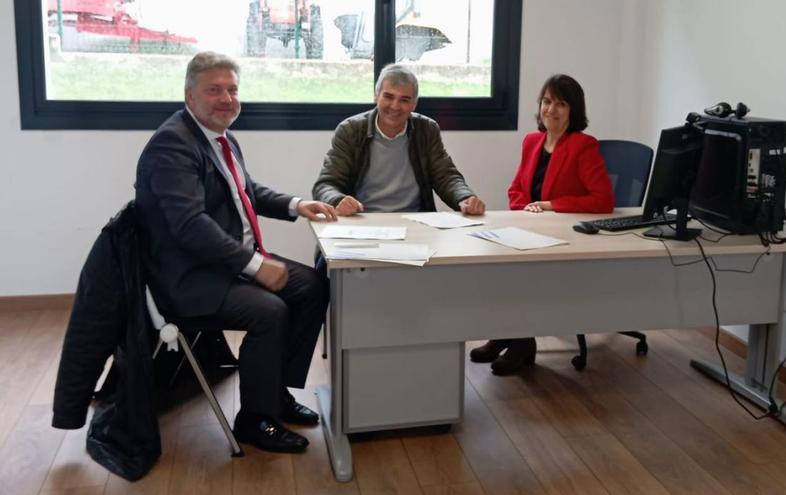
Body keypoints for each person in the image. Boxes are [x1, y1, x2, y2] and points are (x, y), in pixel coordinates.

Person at [135, 52, 338, 454]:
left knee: (314, 285)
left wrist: (297, 205)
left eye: (232, 89)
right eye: (214, 90)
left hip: (228, 262)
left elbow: (246, 189)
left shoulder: (217, 136)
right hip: (191, 278)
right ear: (189, 95)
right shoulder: (172, 145)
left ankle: (274, 392)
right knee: (270, 311)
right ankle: (254, 419)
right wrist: (255, 265)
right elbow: (190, 226)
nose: (227, 99)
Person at [471, 74, 614, 375]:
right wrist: (525, 211)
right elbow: (515, 190)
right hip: (528, 228)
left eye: (561, 104)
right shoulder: (532, 141)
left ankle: (523, 343)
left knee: (521, 272)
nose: (551, 109)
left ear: (573, 110)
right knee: (492, 263)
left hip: (564, 237)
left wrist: (550, 206)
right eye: (547, 101)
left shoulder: (583, 145)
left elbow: (602, 200)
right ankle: (506, 333)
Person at [312, 64, 486, 216]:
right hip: (363, 221)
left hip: (414, 222)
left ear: (414, 104)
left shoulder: (426, 129)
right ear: (376, 95)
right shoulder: (350, 130)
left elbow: (446, 176)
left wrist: (465, 198)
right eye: (388, 96)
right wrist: (337, 200)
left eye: (404, 100)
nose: (395, 106)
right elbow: (326, 184)